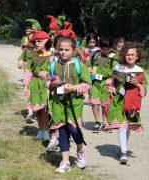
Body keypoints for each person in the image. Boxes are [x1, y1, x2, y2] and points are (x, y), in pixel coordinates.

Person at [45, 36, 91, 173]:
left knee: (74, 129)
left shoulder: (79, 65)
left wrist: (74, 88)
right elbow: (48, 82)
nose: (63, 52)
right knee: (62, 130)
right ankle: (65, 162)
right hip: (59, 103)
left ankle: (80, 148)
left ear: (74, 50)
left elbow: (87, 84)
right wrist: (51, 84)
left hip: (74, 104)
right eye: (61, 49)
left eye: (67, 49)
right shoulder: (53, 65)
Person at [105, 42, 147, 164]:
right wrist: (111, 89)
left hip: (132, 104)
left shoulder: (139, 71)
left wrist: (137, 84)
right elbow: (110, 81)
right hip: (118, 102)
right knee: (122, 126)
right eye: (127, 54)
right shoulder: (117, 68)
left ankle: (124, 148)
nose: (130, 56)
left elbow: (144, 91)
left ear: (137, 56)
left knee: (127, 127)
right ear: (124, 55)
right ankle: (124, 152)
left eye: (132, 54)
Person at [23, 31, 52, 141]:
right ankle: (41, 130)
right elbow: (28, 71)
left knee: (45, 109)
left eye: (39, 41)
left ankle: (47, 131)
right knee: (38, 110)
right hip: (35, 84)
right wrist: (26, 86)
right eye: (35, 41)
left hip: (46, 85)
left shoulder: (52, 56)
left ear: (46, 42)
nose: (36, 43)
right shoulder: (33, 55)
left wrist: (48, 75)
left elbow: (55, 71)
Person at [89, 35, 120, 133]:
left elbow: (116, 70)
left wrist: (111, 78)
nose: (105, 51)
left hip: (107, 83)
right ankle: (97, 122)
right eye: (103, 49)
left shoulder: (114, 57)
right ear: (99, 46)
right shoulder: (95, 55)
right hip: (95, 83)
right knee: (94, 103)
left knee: (105, 104)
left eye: (108, 49)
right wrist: (89, 70)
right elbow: (89, 65)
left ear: (111, 47)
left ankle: (106, 122)